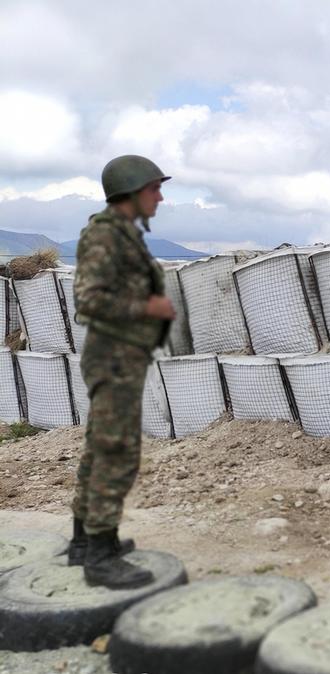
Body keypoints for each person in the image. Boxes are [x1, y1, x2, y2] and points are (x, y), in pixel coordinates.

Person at [68, 155, 176, 588]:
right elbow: (87, 300)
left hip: (122, 355)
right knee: (116, 451)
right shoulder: (104, 238)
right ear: (130, 192)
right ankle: (100, 555)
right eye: (154, 189)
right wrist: (145, 307)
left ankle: (83, 542)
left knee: (99, 446)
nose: (160, 196)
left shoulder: (123, 236)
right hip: (113, 356)